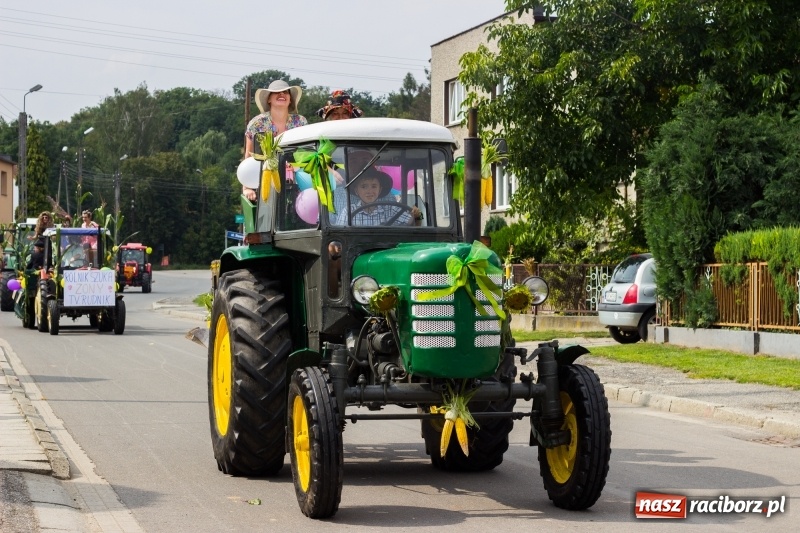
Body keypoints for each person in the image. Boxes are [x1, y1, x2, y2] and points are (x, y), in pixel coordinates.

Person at [242, 80, 307, 201]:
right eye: (276, 92)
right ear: (268, 99)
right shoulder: (257, 123)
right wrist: (247, 188)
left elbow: (308, 153)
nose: (282, 94)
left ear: (290, 99)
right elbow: (248, 157)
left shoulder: (301, 122)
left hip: (297, 183)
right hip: (265, 183)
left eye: (285, 92)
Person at [334, 168, 421, 226]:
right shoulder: (348, 212)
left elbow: (413, 223)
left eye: (374, 186)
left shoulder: (390, 210)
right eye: (364, 186)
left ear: (380, 190)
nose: (369, 191)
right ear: (356, 191)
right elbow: (339, 236)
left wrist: (417, 215)